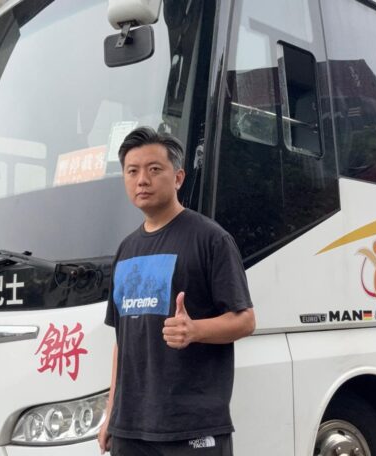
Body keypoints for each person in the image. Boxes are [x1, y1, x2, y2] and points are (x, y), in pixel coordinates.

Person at [99, 126, 256, 456]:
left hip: (192, 426)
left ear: (178, 178)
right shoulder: (125, 250)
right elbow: (121, 342)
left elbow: (245, 320)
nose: (142, 180)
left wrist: (195, 330)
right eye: (132, 171)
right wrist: (111, 412)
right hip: (131, 429)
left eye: (154, 169)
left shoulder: (210, 239)